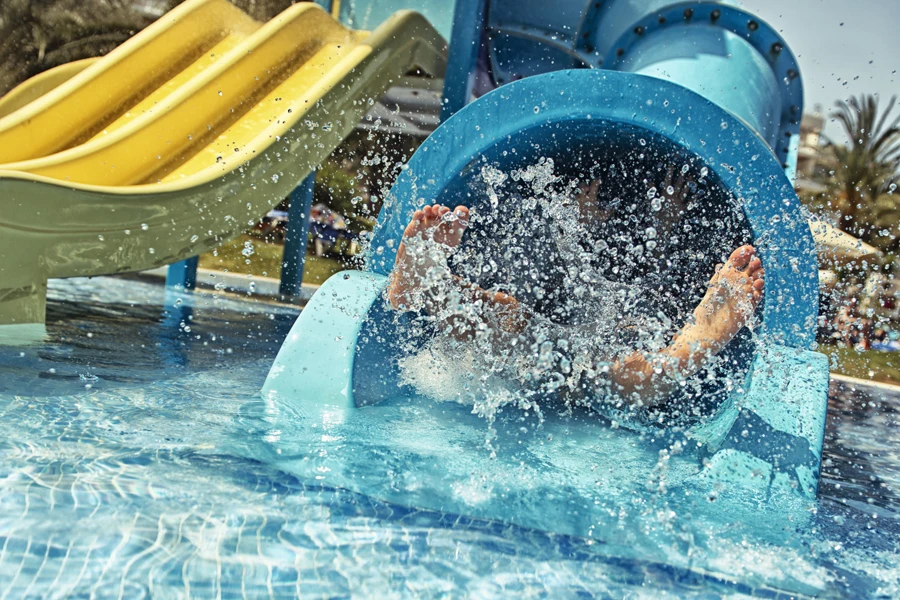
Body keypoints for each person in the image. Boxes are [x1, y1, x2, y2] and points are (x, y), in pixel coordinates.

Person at [386, 202, 764, 408]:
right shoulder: (539, 234)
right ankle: (429, 287)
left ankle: (695, 341)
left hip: (615, 341)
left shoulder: (640, 252)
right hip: (550, 345)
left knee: (619, 364)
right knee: (511, 315)